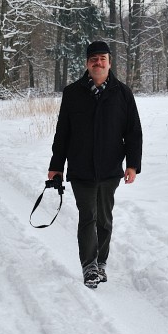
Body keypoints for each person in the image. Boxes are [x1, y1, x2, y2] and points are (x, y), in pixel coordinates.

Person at [48, 40, 142, 289]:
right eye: (93, 59)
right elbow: (62, 134)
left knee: (105, 219)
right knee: (87, 216)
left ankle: (101, 263)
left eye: (102, 58)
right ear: (87, 63)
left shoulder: (123, 93)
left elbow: (133, 132)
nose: (98, 63)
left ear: (109, 62)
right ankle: (89, 266)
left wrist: (132, 164)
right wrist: (56, 165)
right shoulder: (72, 93)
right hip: (81, 168)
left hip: (111, 169)